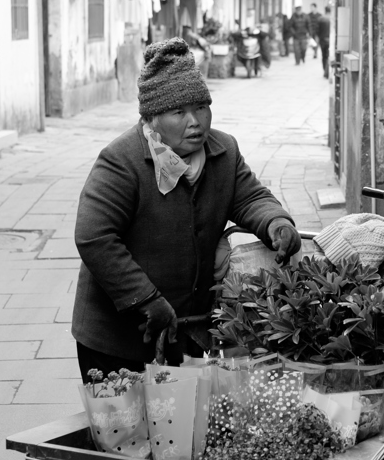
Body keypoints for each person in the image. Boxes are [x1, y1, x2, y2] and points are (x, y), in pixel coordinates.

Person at [72, 38, 301, 383]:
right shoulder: (123, 161)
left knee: (180, 429)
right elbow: (93, 236)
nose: (195, 122)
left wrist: (276, 223)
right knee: (126, 432)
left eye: (201, 108)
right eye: (179, 112)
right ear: (152, 117)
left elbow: (250, 197)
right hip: (117, 340)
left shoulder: (223, 151)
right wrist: (146, 300)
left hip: (187, 332)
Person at [316, 5, 332, 79]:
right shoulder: (332, 19)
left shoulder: (320, 19)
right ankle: (327, 72)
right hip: (330, 41)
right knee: (329, 56)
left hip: (322, 40)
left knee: (324, 56)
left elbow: (317, 31)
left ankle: (325, 71)